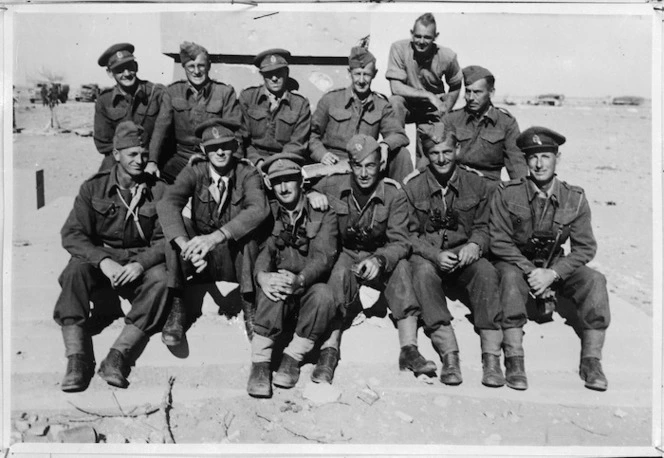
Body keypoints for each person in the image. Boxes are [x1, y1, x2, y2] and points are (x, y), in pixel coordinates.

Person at [490, 126, 610, 391]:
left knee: (595, 281)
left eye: (545, 156)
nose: (539, 163)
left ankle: (591, 362)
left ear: (558, 158)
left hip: (555, 268)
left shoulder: (574, 198)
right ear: (525, 160)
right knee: (509, 278)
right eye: (532, 157)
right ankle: (514, 359)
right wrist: (531, 271)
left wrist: (552, 274)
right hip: (518, 265)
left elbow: (585, 248)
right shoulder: (507, 193)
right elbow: (499, 241)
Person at [308, 134, 435, 384]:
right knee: (338, 280)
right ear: (350, 165)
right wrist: (311, 195)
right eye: (358, 166)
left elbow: (400, 241)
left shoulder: (393, 193)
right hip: (346, 254)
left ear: (380, 165)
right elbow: (308, 192)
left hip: (380, 254)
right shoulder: (333, 184)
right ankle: (328, 352)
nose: (364, 173)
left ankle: (409, 349)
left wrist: (379, 260)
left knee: (400, 270)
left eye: (370, 166)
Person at [54, 121, 169, 392]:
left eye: (143, 154)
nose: (139, 161)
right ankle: (77, 358)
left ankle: (117, 356)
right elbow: (72, 234)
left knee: (162, 279)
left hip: (140, 258)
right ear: (116, 154)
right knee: (74, 272)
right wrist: (102, 261)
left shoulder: (160, 190)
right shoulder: (93, 188)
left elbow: (166, 238)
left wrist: (141, 265)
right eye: (132, 154)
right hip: (103, 257)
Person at [403, 125, 505, 387]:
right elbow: (409, 235)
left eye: (447, 151)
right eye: (434, 152)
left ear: (457, 149)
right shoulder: (413, 186)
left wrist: (475, 245)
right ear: (426, 155)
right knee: (422, 273)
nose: (441, 159)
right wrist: (434, 254)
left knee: (486, 273)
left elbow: (484, 226)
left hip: (465, 255)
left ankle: (491, 357)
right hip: (430, 256)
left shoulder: (476, 182)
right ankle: (449, 354)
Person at [156, 118, 270, 347]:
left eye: (225, 146)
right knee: (174, 233)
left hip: (233, 259)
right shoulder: (194, 172)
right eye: (212, 147)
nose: (219, 152)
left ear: (235, 147)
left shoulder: (247, 173)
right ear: (202, 150)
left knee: (247, 235)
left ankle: (249, 305)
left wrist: (215, 237)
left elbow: (258, 209)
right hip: (201, 261)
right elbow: (168, 203)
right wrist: (184, 245)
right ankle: (177, 305)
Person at [247, 153, 339, 398]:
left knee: (324, 294)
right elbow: (265, 251)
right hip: (282, 296)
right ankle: (260, 363)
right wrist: (262, 276)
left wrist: (299, 280)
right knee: (271, 284)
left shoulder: (322, 211)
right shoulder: (270, 213)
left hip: (307, 288)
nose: (284, 187)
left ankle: (292, 357)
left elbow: (323, 257)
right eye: (277, 181)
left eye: (289, 179)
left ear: (301, 181)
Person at [309, 46, 413, 183]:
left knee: (401, 154)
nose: (362, 80)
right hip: (334, 163)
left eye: (367, 74)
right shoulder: (330, 100)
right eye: (357, 74)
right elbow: (312, 135)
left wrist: (385, 145)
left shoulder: (381, 105)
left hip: (365, 165)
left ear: (374, 74)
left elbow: (399, 135)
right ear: (349, 72)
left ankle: (403, 198)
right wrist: (322, 154)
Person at [151, 41, 243, 182]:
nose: (196, 71)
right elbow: (160, 129)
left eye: (201, 66)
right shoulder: (173, 92)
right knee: (160, 184)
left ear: (209, 66)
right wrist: (153, 161)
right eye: (191, 67)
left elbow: (236, 130)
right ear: (184, 68)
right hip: (181, 157)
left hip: (214, 155)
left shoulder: (224, 92)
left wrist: (237, 162)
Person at [386, 13, 463, 166]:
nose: (421, 42)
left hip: (431, 109)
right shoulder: (399, 48)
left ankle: (422, 178)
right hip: (408, 105)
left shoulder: (447, 56)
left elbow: (455, 84)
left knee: (427, 155)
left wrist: (446, 107)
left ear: (436, 36)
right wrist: (428, 95)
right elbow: (396, 87)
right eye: (418, 36)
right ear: (411, 34)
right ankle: (395, 147)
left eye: (427, 37)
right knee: (394, 102)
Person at [442, 65, 527, 190]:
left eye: (477, 92)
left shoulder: (506, 123)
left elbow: (517, 166)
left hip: (490, 189)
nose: (471, 98)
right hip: (456, 186)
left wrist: (523, 195)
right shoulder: (451, 120)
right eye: (468, 91)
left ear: (491, 93)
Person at [94, 43, 165, 172]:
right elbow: (103, 144)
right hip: (122, 161)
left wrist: (151, 159)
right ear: (110, 73)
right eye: (119, 70)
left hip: (155, 159)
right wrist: (129, 160)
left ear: (136, 67)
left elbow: (166, 131)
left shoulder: (156, 93)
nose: (126, 74)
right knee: (101, 187)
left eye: (129, 67)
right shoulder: (104, 101)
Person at [239, 49, 311, 167]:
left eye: (278, 72)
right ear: (262, 75)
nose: (274, 78)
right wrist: (257, 161)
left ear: (286, 72)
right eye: (268, 73)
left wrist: (277, 164)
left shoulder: (300, 104)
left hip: (285, 161)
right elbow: (242, 138)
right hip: (253, 160)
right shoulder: (248, 98)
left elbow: (297, 143)